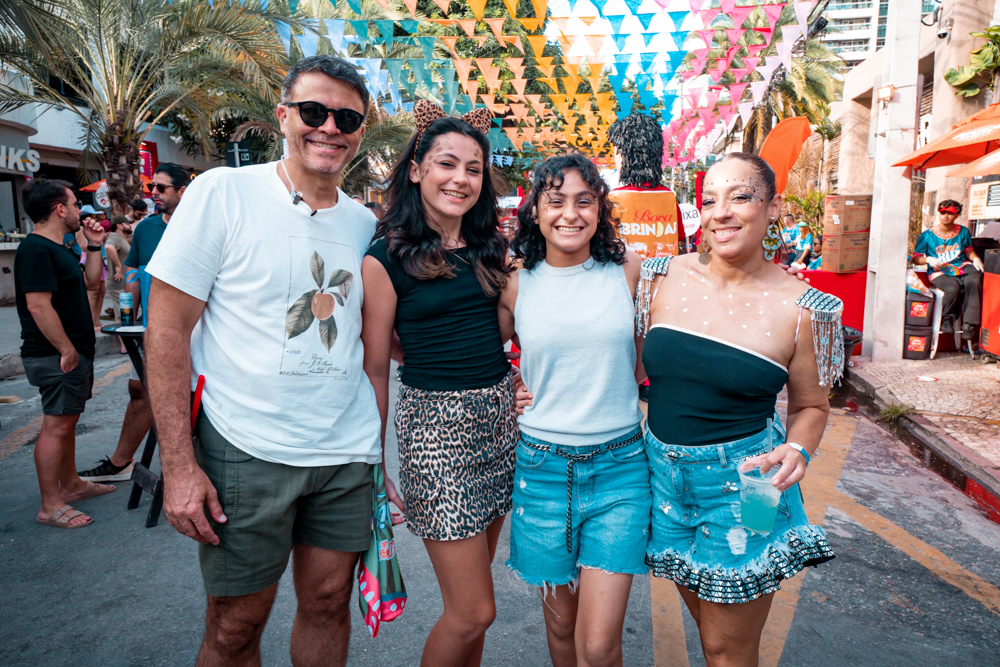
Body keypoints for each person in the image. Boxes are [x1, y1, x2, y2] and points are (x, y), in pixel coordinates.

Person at [145, 56, 380, 667]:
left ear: (360, 130)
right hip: (244, 450)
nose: (329, 127)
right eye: (313, 111)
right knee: (234, 627)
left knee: (329, 603)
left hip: (345, 454)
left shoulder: (363, 224)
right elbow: (167, 330)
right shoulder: (222, 192)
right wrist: (178, 465)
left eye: (347, 117)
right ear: (283, 117)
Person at [636, 153, 838, 666]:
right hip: (660, 481)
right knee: (709, 629)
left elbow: (812, 405)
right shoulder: (658, 278)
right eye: (709, 200)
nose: (720, 212)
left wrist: (798, 448)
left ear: (773, 208)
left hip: (748, 487)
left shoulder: (803, 308)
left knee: (727, 649)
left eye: (740, 196)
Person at [361, 101, 516, 667]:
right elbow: (376, 367)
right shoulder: (384, 259)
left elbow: (507, 333)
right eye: (447, 164)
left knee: (476, 606)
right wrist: (374, 459)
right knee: (473, 611)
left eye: (473, 169)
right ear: (417, 169)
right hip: (435, 436)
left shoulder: (491, 251)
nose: (461, 179)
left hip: (502, 426)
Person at [497, 153, 650, 667]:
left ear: (600, 208)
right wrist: (507, 388)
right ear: (535, 211)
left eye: (585, 201)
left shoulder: (628, 271)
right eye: (555, 200)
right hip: (542, 472)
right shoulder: (516, 281)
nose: (570, 213)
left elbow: (653, 356)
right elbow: (472, 358)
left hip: (621, 469)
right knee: (562, 630)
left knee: (600, 644)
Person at [77, 164, 189, 483]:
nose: (153, 193)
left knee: (191, 395)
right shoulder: (145, 228)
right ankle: (120, 463)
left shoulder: (200, 227)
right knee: (139, 388)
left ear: (182, 191)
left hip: (195, 331)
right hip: (151, 327)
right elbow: (133, 273)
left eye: (161, 188)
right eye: (152, 186)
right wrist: (129, 318)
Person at [15, 179, 115, 529]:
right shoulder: (36, 250)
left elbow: (90, 283)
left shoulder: (60, 247)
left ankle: (71, 485)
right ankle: (50, 505)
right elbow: (38, 306)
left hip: (69, 353)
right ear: (60, 209)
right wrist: (66, 349)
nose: (79, 211)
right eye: (74, 204)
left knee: (66, 422)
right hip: (54, 355)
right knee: (56, 428)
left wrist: (95, 246)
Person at [912, 200, 985, 340]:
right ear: (939, 214)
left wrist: (976, 259)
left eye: (950, 214)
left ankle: (969, 323)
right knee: (953, 288)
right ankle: (947, 319)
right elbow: (916, 258)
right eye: (943, 213)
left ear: (957, 215)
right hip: (938, 270)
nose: (946, 216)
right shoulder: (926, 236)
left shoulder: (963, 231)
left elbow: (968, 250)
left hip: (961, 266)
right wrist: (928, 259)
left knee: (975, 279)